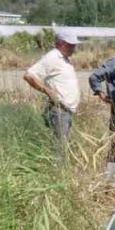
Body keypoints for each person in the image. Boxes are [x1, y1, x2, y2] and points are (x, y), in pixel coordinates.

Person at [23, 30, 82, 161]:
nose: (74, 48)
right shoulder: (52, 57)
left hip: (67, 111)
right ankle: (58, 171)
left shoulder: (65, 59)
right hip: (59, 111)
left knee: (64, 147)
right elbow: (29, 75)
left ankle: (61, 170)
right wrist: (47, 90)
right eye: (70, 45)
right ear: (61, 44)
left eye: (74, 45)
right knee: (59, 149)